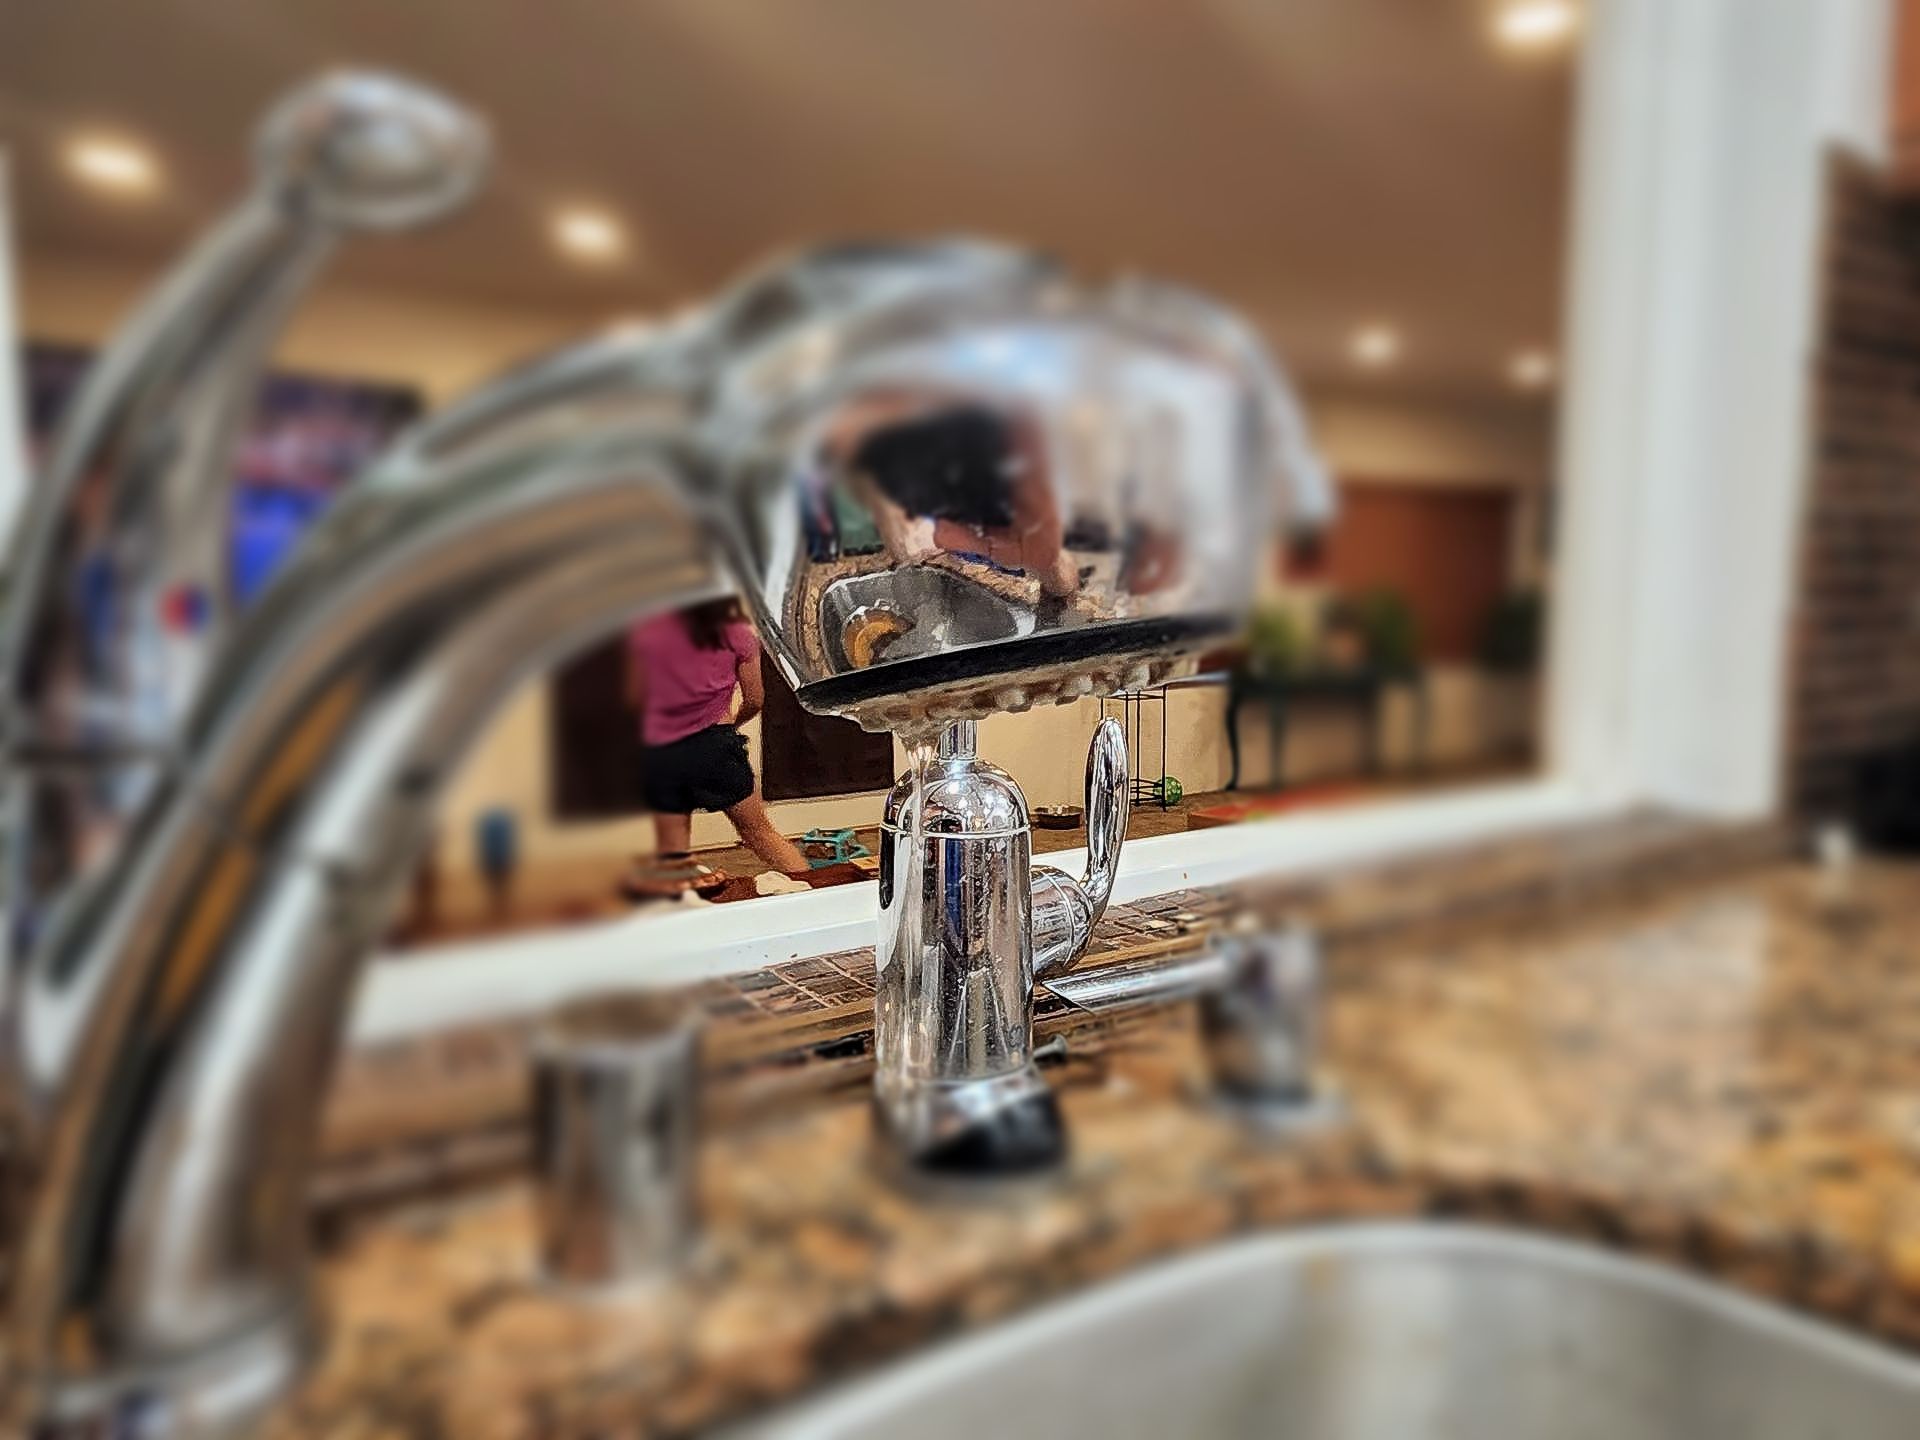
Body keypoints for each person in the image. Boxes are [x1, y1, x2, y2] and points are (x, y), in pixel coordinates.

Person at [627, 599, 809, 875]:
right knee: (760, 834)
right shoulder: (736, 631)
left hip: (662, 752)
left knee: (673, 853)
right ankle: (813, 901)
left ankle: (683, 911)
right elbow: (755, 698)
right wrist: (732, 725)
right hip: (714, 746)